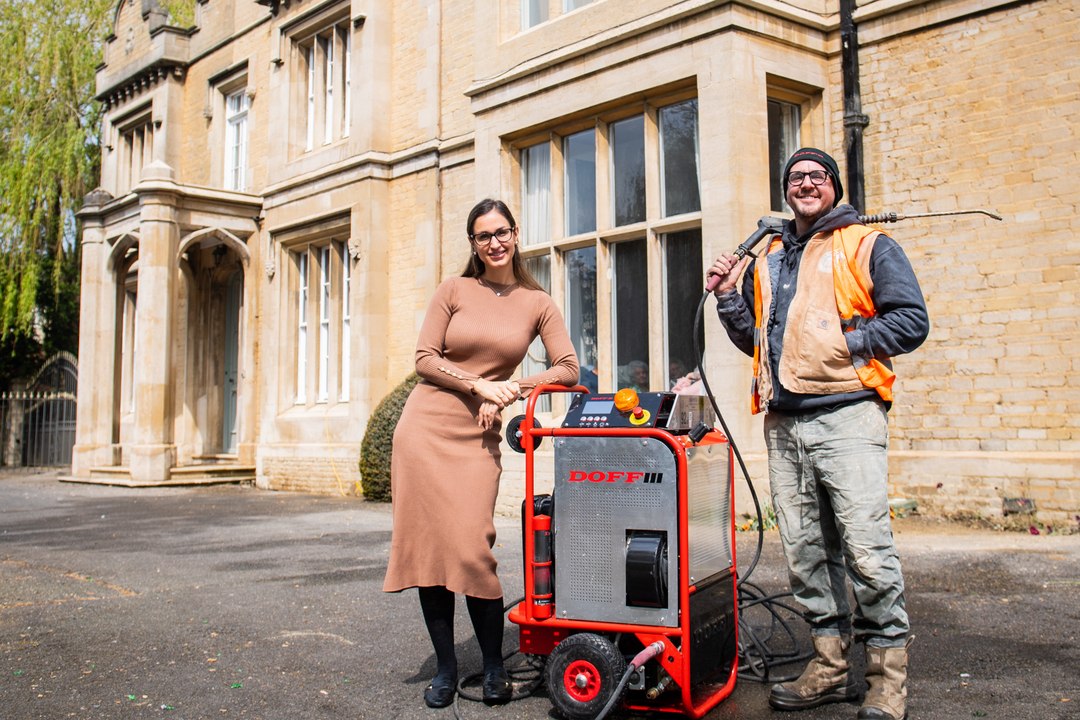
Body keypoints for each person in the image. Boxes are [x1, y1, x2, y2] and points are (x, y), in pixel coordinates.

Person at [706, 148, 929, 720]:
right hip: (785, 421)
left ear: (833, 186)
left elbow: (911, 321)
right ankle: (828, 667)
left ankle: (886, 681)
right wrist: (729, 295)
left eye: (816, 176)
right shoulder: (772, 256)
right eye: (795, 177)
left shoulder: (866, 244)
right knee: (806, 553)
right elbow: (756, 342)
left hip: (848, 415)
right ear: (786, 191)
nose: (805, 184)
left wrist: (843, 345)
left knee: (866, 550)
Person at [382, 198, 579, 709]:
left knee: (472, 549)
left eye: (501, 232)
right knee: (430, 554)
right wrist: (477, 385)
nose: (494, 242)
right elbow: (425, 359)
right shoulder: (454, 290)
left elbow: (567, 367)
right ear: (473, 243)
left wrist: (509, 389)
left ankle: (494, 666)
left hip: (477, 436)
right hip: (425, 428)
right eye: (482, 235)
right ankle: (447, 670)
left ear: (516, 234)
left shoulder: (537, 302)